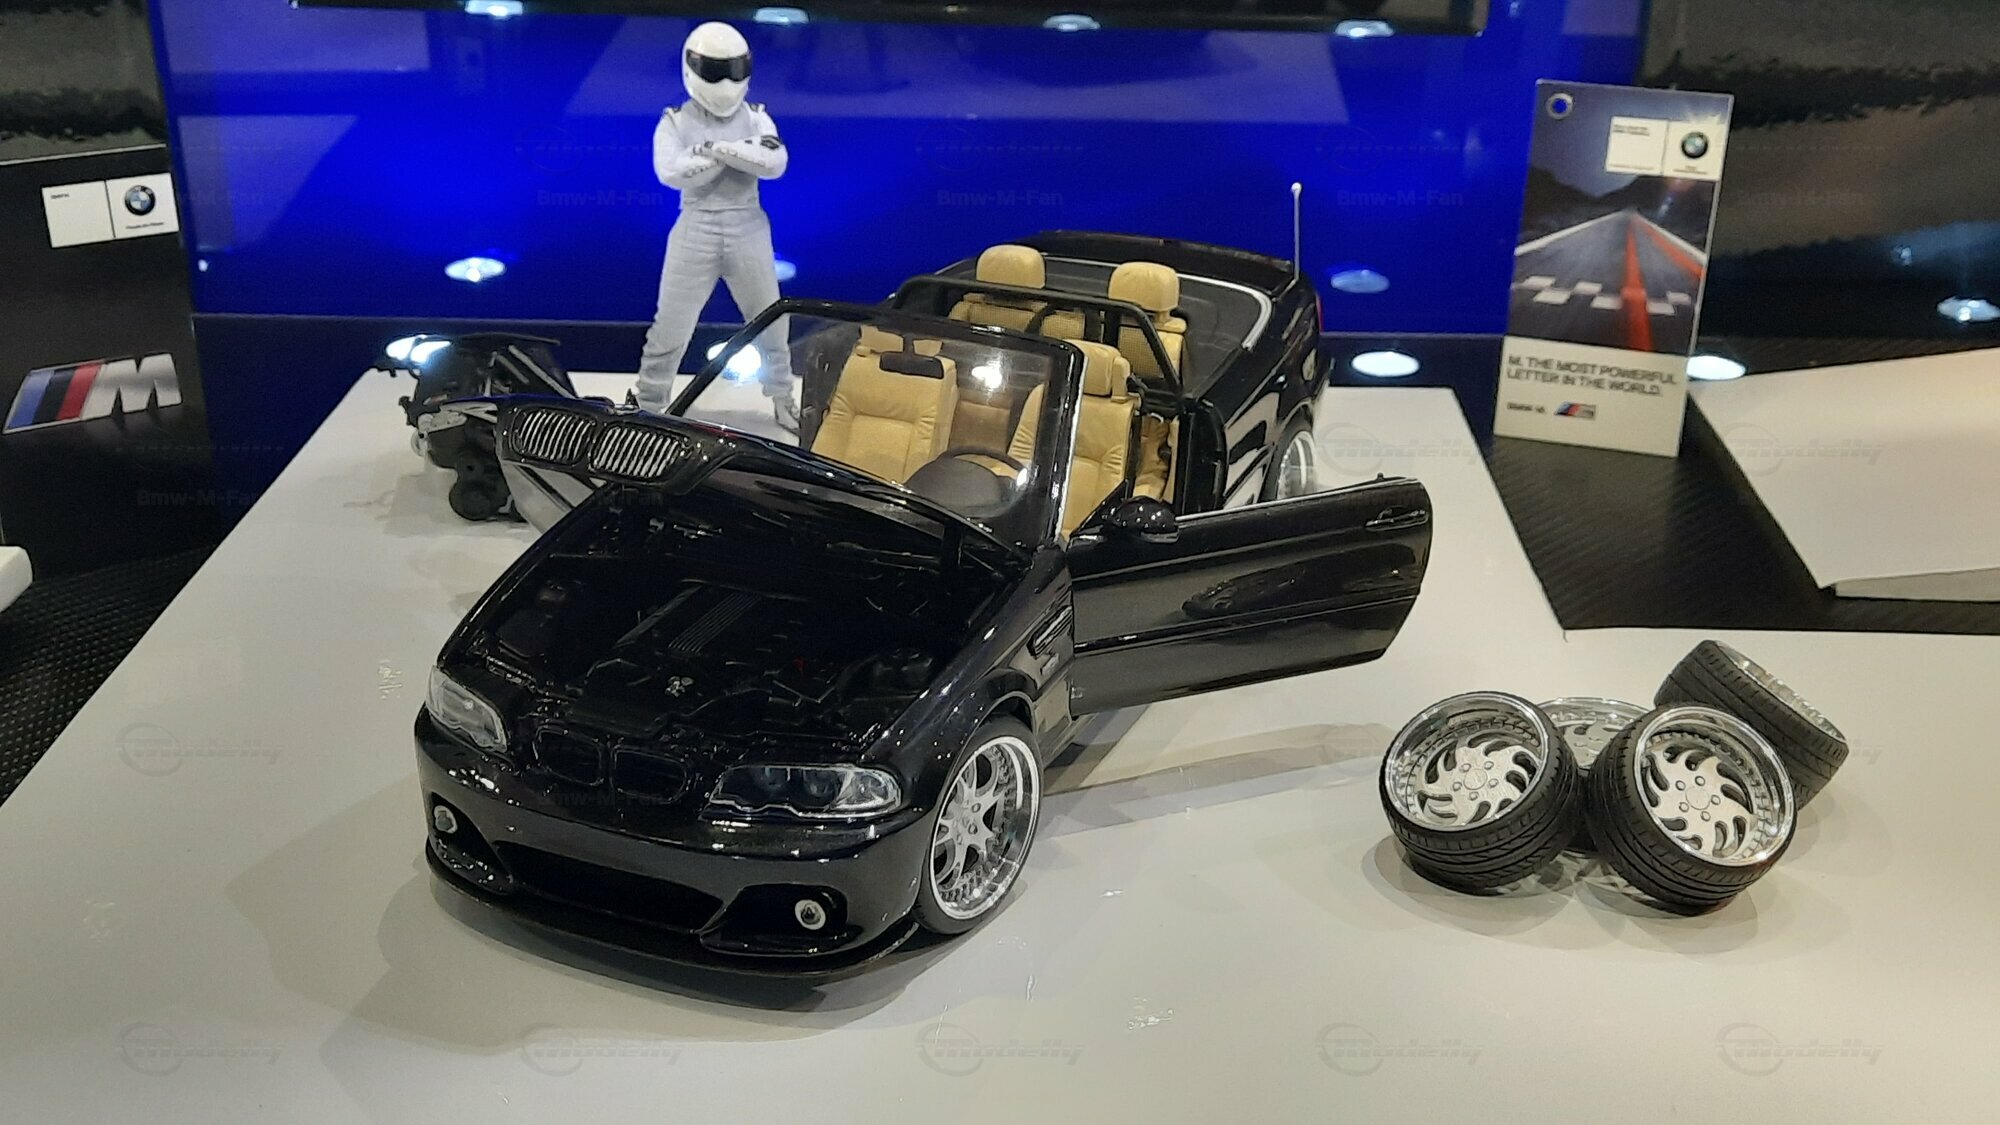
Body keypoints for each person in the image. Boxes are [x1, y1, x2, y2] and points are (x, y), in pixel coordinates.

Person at [636, 21, 797, 431]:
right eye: (714, 70)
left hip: (748, 226)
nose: (725, 82)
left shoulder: (757, 117)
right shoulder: (674, 122)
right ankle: (650, 404)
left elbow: (774, 162)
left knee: (772, 321)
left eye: (733, 70)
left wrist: (715, 149)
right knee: (670, 327)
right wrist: (737, 153)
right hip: (696, 227)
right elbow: (672, 172)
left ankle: (784, 399)